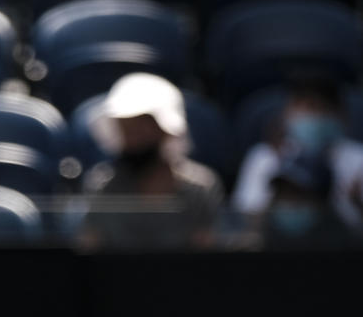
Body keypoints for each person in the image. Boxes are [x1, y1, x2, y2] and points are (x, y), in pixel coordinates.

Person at [78, 72, 224, 250]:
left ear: (166, 131)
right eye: (125, 129)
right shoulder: (101, 187)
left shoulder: (201, 188)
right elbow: (89, 248)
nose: (132, 139)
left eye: (141, 128)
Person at [232, 76, 363, 236]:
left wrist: (355, 204)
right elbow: (247, 223)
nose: (313, 115)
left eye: (321, 108)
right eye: (305, 107)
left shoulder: (359, 159)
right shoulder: (266, 156)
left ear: (340, 114)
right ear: (287, 112)